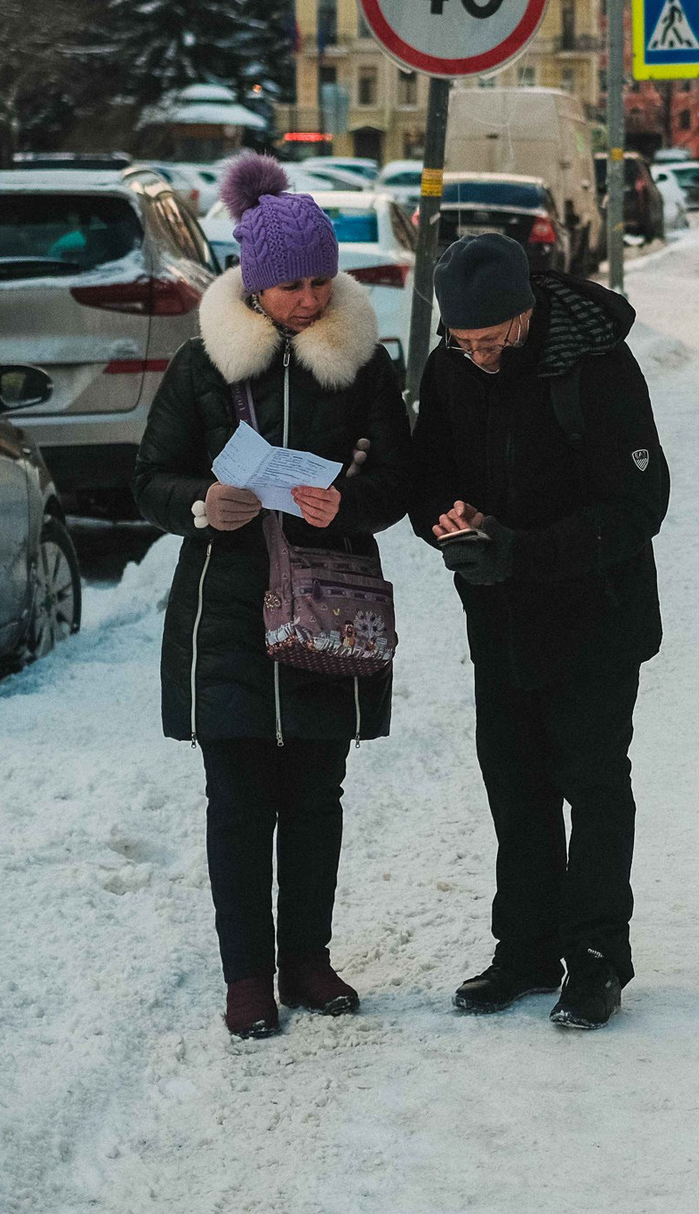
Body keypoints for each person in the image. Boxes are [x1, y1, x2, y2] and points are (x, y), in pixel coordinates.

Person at [133, 154, 414, 1041]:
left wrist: (352, 503)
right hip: (229, 608)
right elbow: (150, 476)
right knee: (239, 802)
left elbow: (399, 478)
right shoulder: (200, 367)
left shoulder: (363, 365)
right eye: (291, 284)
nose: (309, 298)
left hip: (328, 607)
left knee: (317, 797)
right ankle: (248, 975)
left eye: (321, 281)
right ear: (254, 286)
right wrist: (200, 504)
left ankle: (308, 959)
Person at [411, 232, 671, 1031]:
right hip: (500, 616)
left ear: (527, 312)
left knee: (591, 784)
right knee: (514, 782)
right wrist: (445, 521)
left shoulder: (594, 364)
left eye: (494, 341)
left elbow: (641, 504)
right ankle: (524, 947)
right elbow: (429, 474)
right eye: (466, 343)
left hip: (596, 612)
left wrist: (524, 549)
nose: (482, 357)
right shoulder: (450, 367)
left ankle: (596, 957)